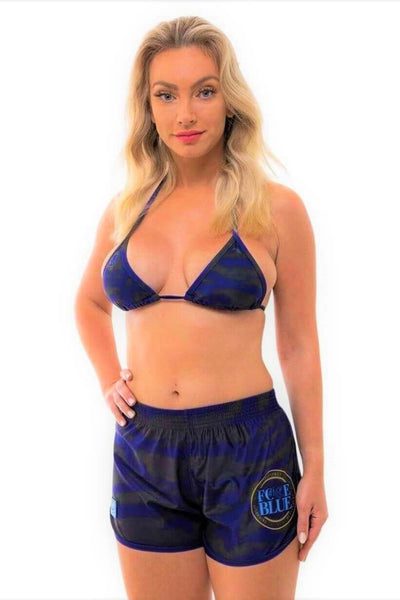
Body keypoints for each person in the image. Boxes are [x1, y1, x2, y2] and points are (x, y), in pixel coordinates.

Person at [74, 15, 328, 600]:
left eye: (204, 91)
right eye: (166, 95)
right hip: (145, 447)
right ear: (148, 107)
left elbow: (298, 345)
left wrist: (315, 466)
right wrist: (109, 379)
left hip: (249, 449)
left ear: (229, 99)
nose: (185, 113)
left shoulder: (276, 209)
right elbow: (88, 302)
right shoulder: (124, 210)